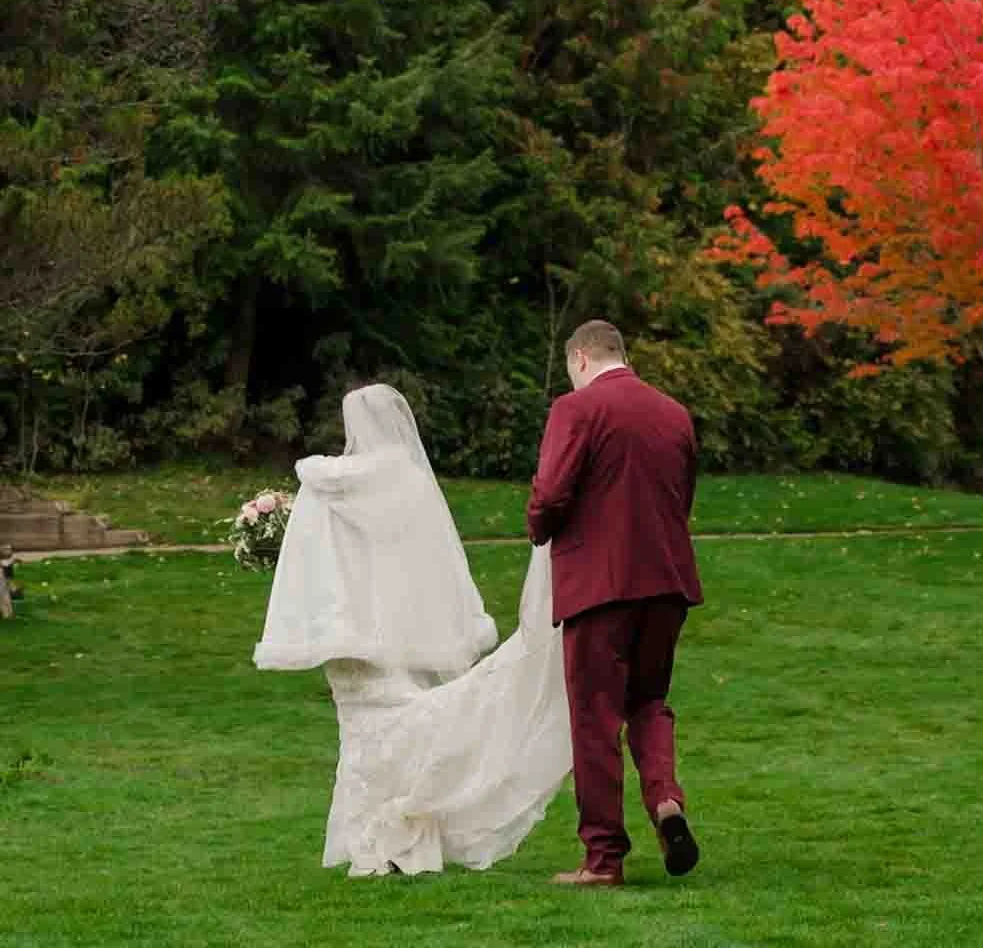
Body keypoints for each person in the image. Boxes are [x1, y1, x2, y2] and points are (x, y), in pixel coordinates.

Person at [254, 383, 507, 875]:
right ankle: (406, 838)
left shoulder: (325, 487)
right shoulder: (412, 484)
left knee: (361, 735)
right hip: (404, 631)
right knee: (406, 730)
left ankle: (369, 841)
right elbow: (434, 561)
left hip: (350, 632)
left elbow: (314, 565)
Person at [528, 320, 703, 889]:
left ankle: (603, 859)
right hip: (667, 583)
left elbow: (552, 493)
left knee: (594, 718)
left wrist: (538, 525)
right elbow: (684, 498)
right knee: (649, 702)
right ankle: (666, 802)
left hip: (600, 588)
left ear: (580, 358)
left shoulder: (575, 410)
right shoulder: (674, 414)